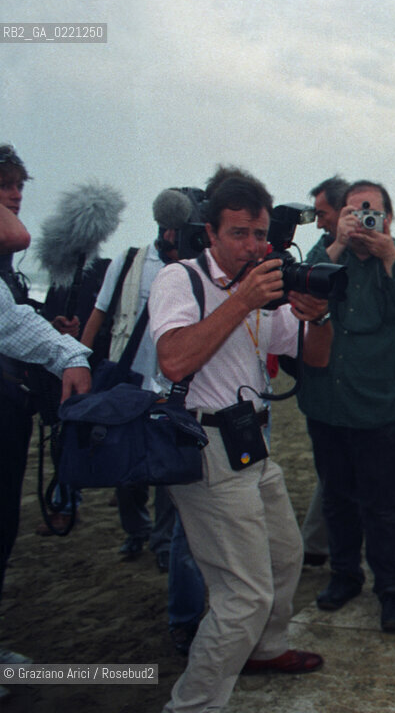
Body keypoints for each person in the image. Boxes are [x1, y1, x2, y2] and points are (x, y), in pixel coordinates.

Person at [149, 167, 331, 711]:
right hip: (205, 444)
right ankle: (193, 703)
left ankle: (264, 649)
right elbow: (174, 358)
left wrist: (318, 317)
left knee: (285, 555)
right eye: (238, 234)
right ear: (210, 233)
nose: (252, 246)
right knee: (243, 595)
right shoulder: (181, 279)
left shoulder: (261, 289)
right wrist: (243, 299)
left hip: (252, 440)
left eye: (259, 235)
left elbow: (314, 356)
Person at [295, 179, 395, 631]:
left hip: (379, 406)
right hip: (327, 402)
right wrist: (335, 244)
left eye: (372, 211)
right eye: (353, 211)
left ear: (387, 218)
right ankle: (345, 575)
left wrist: (388, 253)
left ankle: (391, 590)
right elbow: (301, 289)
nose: (363, 219)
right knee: (336, 497)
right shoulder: (326, 252)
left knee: (384, 504)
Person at [80, 187, 207, 652]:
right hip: (132, 383)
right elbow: (100, 311)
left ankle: (160, 544)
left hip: (174, 390)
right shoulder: (132, 260)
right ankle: (136, 531)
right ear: (168, 229)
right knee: (129, 473)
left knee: (173, 485)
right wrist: (78, 361)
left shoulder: (197, 266)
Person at [0, 172, 91, 692]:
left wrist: (52, 333)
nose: (16, 197)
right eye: (4, 187)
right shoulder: (9, 241)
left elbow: (12, 317)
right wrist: (67, 352)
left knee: (4, 529)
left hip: (11, 411)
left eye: (18, 187)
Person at [299, 174, 349, 568]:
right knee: (334, 477)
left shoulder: (386, 250)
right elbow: (306, 277)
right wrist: (338, 244)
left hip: (370, 389)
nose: (318, 223)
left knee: (338, 478)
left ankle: (314, 545)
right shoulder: (326, 247)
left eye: (322, 214)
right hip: (328, 386)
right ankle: (316, 545)